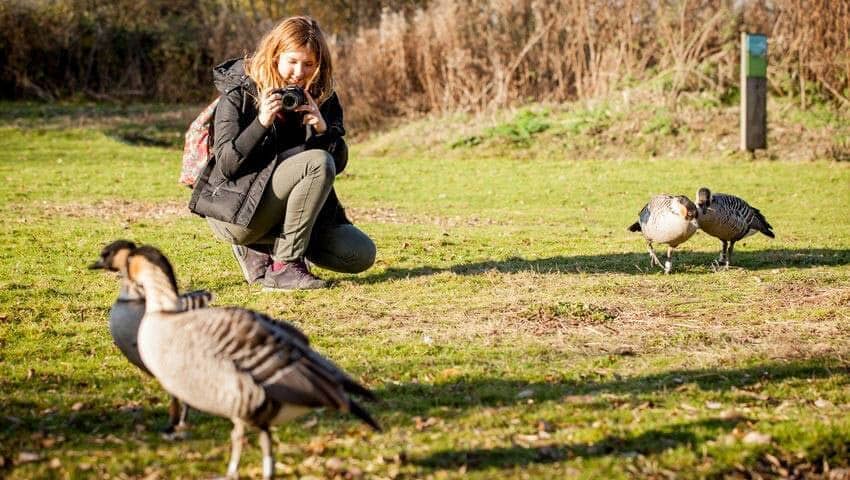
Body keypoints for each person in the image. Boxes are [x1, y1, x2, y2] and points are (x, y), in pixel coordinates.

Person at [189, 16, 375, 290]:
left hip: (293, 214)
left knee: (360, 254)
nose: (299, 72)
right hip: (238, 214)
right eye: (292, 61)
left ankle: (268, 248)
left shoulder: (322, 96)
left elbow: (338, 163)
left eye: (309, 64)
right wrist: (261, 121)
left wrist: (323, 130)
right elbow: (227, 165)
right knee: (316, 162)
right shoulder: (241, 91)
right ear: (275, 56)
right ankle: (285, 266)